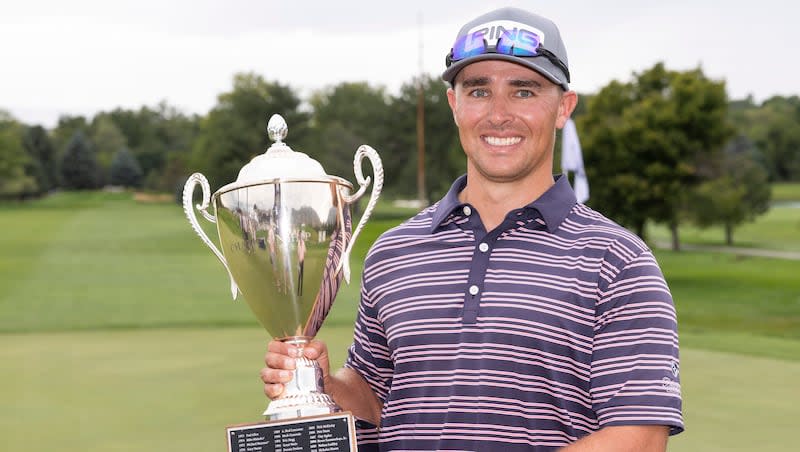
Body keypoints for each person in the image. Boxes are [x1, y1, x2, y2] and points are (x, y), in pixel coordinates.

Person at [261, 6, 683, 451]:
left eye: (524, 91)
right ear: (454, 104)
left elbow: (638, 438)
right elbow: (376, 401)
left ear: (564, 107)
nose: (499, 114)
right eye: (479, 91)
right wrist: (323, 385)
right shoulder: (394, 252)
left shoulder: (618, 260)